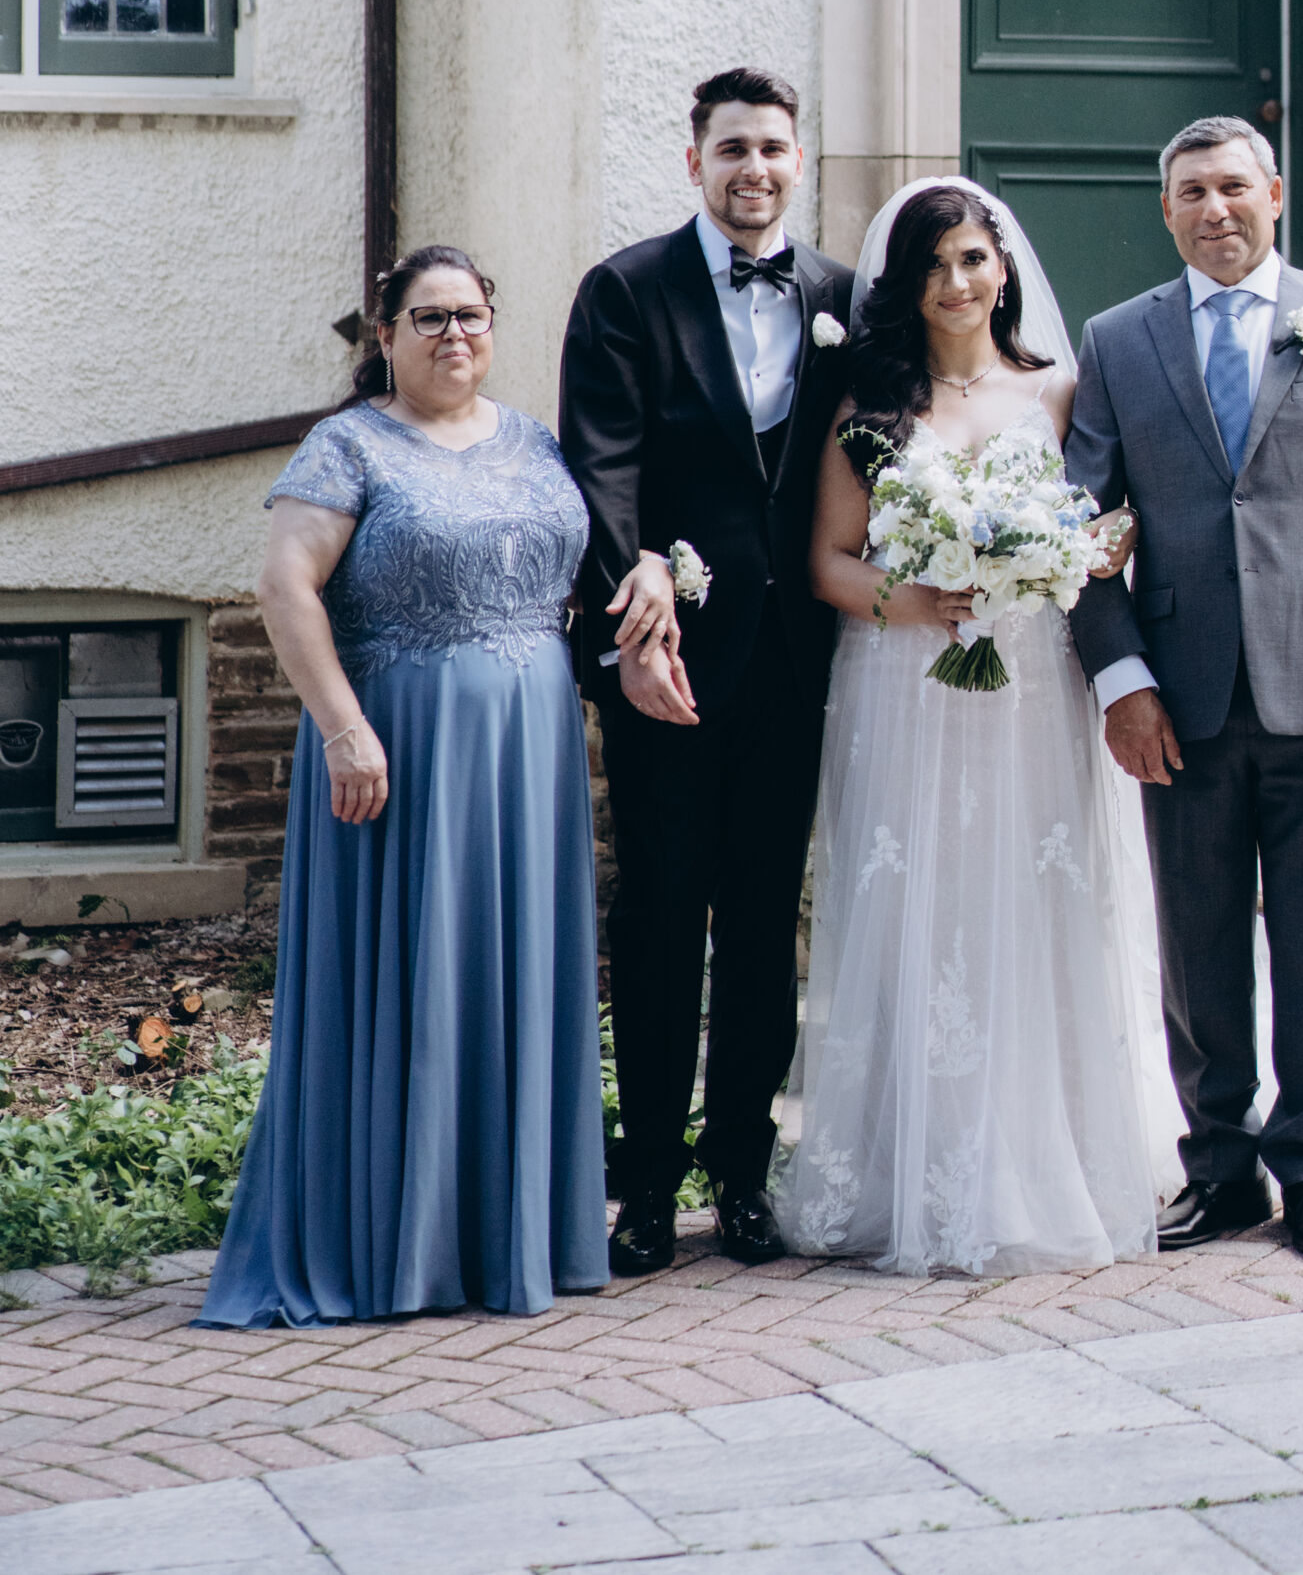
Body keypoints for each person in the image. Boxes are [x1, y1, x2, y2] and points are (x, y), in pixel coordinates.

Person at [198, 247, 607, 1328]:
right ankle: (397, 1242)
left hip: (528, 756)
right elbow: (284, 586)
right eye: (429, 317)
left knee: (510, 974)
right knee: (413, 977)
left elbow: (591, 562)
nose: (453, 334)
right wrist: (344, 730)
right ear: (386, 336)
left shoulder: (534, 440)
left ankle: (507, 1235)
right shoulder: (348, 446)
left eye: (470, 314)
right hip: (399, 754)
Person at [1065, 115, 1303, 1261]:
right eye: (1191, 192)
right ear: (1164, 209)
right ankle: (1218, 1169)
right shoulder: (1117, 340)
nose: (1214, 209)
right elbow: (1077, 528)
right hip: (1178, 698)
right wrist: (1121, 677)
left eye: (1233, 187)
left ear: (1275, 194)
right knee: (1198, 944)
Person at [775, 180, 1155, 1275]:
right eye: (934, 265)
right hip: (907, 685)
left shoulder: (1058, 391)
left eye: (973, 259)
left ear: (1004, 267)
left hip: (1031, 690)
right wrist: (914, 599)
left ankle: (1041, 1158)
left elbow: (1106, 525)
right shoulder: (869, 409)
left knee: (1030, 902)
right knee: (921, 907)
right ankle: (916, 1163)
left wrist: (1084, 551)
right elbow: (828, 561)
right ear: (906, 284)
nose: (956, 282)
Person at [559, 68, 854, 1276]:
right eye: (732, 149)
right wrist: (632, 619)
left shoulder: (842, 296)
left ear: (798, 160)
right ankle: (643, 1187)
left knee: (764, 921)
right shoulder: (627, 290)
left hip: (797, 660)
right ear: (695, 163)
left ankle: (740, 1172)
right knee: (662, 916)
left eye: (773, 148)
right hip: (668, 660)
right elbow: (602, 463)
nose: (754, 169)